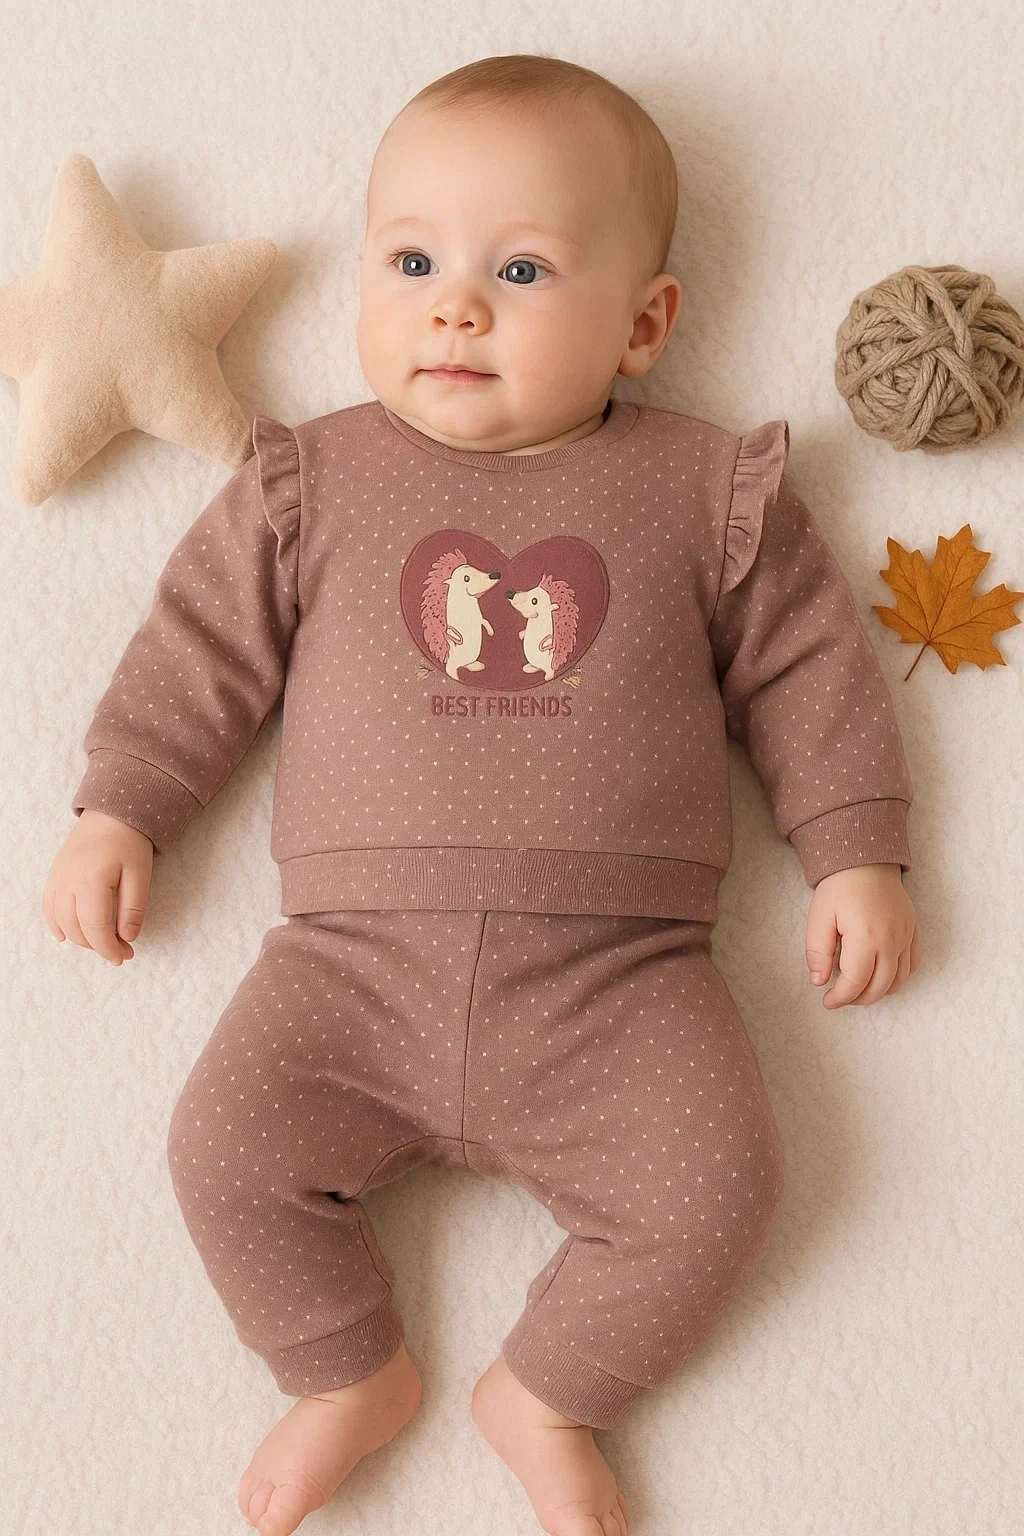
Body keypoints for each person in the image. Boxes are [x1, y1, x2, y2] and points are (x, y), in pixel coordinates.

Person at [42, 53, 922, 1536]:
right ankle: (344, 1371)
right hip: (347, 967)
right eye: (411, 263)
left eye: (520, 271)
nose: (454, 307)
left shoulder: (706, 492)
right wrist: (120, 805)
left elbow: (808, 672)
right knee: (221, 1154)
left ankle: (549, 1392)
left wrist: (854, 853)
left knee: (719, 1189)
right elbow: (197, 651)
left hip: (622, 979)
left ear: (644, 324)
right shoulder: (310, 480)